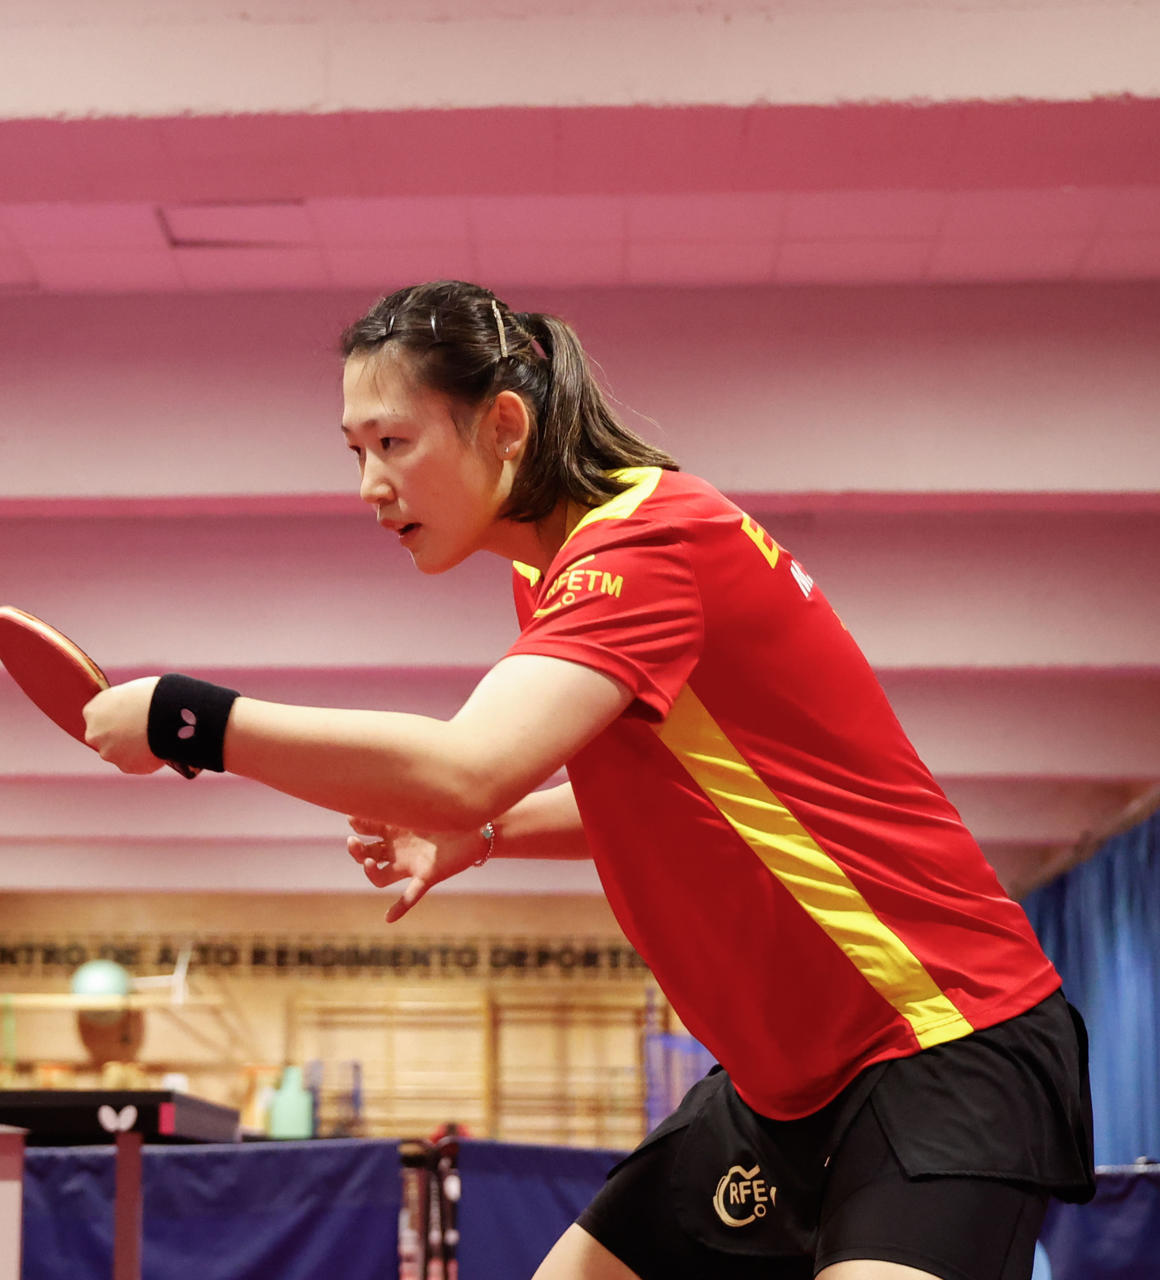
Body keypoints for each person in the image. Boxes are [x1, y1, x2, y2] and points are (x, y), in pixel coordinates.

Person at [81, 280, 1094, 1280]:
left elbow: (464, 766)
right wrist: (488, 835)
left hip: (942, 1035)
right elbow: (687, 794)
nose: (368, 486)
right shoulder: (553, 570)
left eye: (392, 443)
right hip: (783, 1082)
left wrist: (193, 717)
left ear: (505, 424)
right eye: (354, 452)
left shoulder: (642, 546)